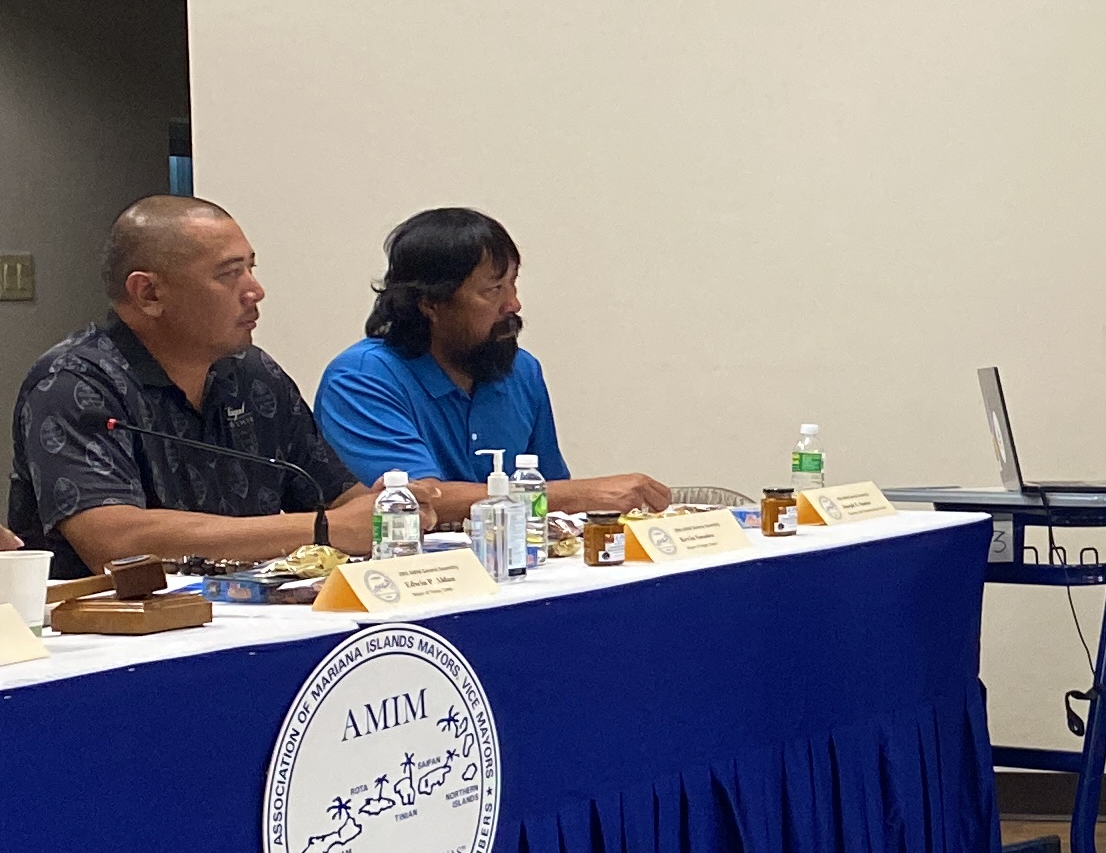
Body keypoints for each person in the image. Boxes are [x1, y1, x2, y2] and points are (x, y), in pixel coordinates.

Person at [9, 196, 374, 575]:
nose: (255, 290)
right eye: (229, 274)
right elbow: (114, 543)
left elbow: (342, 499)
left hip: (254, 616)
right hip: (118, 627)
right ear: (149, 294)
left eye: (251, 268)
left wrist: (391, 507)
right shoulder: (73, 383)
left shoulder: (254, 374)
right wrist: (321, 530)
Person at [315, 208, 669, 517]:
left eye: (513, 284)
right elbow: (414, 501)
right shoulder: (362, 378)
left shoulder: (521, 370)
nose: (513, 304)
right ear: (430, 303)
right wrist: (582, 493)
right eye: (493, 290)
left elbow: (547, 493)